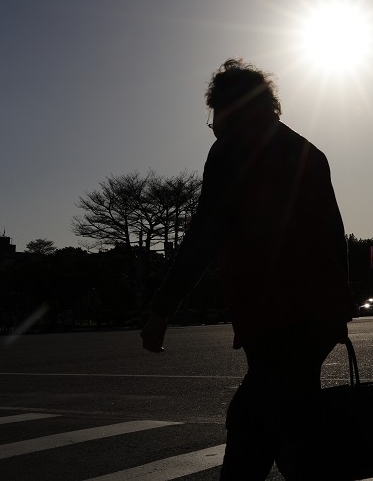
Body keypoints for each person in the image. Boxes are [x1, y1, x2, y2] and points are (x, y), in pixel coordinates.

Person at [141, 58, 356, 480]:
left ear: (227, 107)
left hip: (274, 314)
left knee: (268, 426)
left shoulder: (232, 149)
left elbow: (205, 235)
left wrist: (162, 308)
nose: (213, 125)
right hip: (318, 313)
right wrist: (339, 305)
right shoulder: (309, 151)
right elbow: (335, 236)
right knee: (270, 424)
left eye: (213, 114)